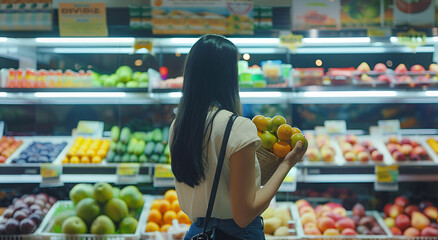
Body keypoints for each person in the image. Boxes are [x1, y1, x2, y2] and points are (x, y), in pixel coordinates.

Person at [169, 35, 307, 240]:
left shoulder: (178, 126)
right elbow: (243, 215)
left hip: (198, 233)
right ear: (228, 77)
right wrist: (286, 164)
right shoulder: (238, 126)